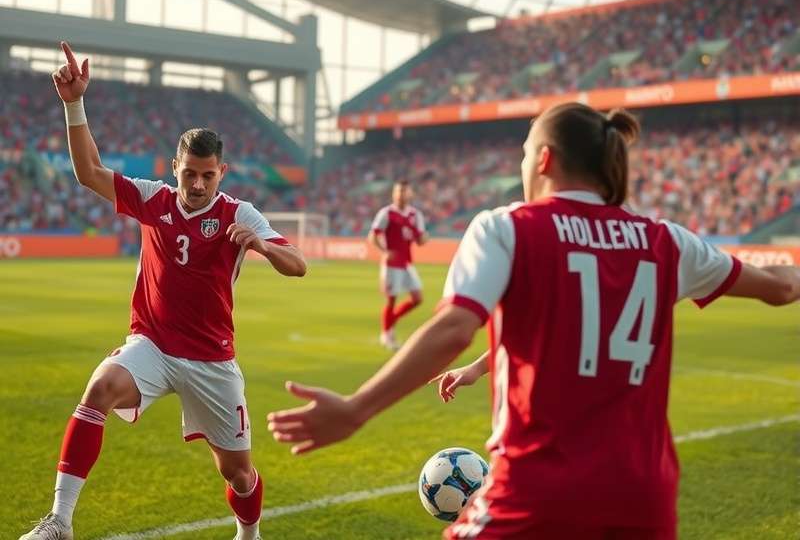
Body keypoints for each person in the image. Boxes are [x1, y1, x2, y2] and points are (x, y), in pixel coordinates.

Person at [266, 102, 799, 540]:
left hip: (538, 494)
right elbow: (780, 288)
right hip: (644, 500)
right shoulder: (668, 243)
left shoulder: (506, 228)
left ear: (543, 159)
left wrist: (357, 409)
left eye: (523, 155)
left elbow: (454, 327)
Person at [20, 42, 307, 540]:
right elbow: (89, 173)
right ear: (174, 166)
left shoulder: (239, 214)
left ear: (222, 172)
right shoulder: (153, 199)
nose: (197, 184)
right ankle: (60, 521)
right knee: (99, 389)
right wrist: (74, 102)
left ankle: (249, 533)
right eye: (189, 174)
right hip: (151, 344)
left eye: (207, 175)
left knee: (237, 472)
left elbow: (298, 265)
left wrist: (262, 245)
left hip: (212, 359)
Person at [367, 180, 428, 350]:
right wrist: (385, 251)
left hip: (407, 262)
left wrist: (424, 238)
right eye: (399, 191)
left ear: (411, 194)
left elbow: (421, 239)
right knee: (391, 300)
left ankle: (391, 321)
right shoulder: (386, 213)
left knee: (418, 299)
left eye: (404, 191)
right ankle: (387, 334)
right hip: (392, 264)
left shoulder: (415, 215)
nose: (401, 194)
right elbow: (373, 236)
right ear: (394, 194)